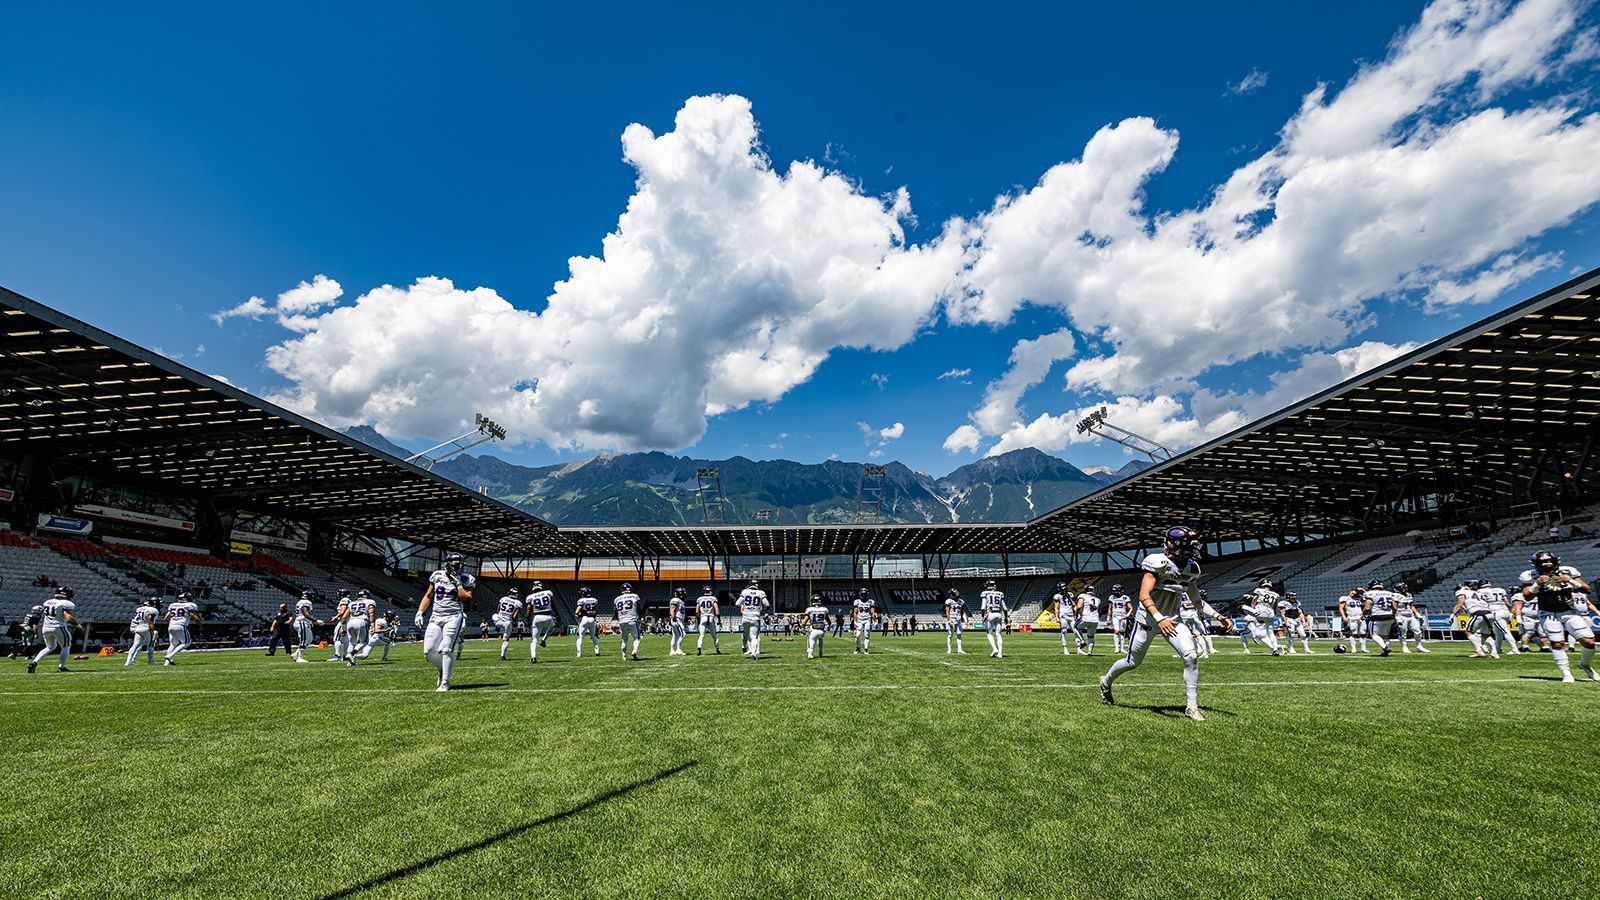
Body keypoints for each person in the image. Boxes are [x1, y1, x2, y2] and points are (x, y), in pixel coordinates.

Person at [1099, 526, 1230, 722]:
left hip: (1173, 621)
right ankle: (1106, 682)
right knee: (1132, 662)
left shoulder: (1191, 568)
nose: (1191, 549)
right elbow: (1144, 595)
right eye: (1187, 545)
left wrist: (1218, 616)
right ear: (1172, 544)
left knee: (1191, 656)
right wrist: (1160, 618)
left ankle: (1192, 706)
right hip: (1149, 620)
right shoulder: (1157, 562)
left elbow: (1196, 600)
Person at [1517, 550, 1599, 683]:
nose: (1547, 567)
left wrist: (1570, 581)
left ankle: (1584, 664)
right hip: (1548, 612)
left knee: (1589, 642)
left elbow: (1587, 589)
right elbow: (1527, 597)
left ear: (1556, 563)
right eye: (1543, 565)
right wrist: (1536, 584)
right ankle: (1566, 673)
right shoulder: (1529, 576)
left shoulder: (1569, 571)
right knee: (1557, 643)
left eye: (1549, 564)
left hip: (1569, 611)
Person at [416, 553, 474, 691]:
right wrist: (419, 612)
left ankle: (445, 682)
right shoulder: (437, 575)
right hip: (436, 617)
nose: (457, 566)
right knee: (429, 652)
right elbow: (429, 595)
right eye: (454, 563)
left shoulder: (466, 578)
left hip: (453, 616)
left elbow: (466, 599)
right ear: (447, 564)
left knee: (447, 649)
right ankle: (442, 669)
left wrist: (458, 584)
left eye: (459, 563)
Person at [27, 587, 76, 674]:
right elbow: (68, 616)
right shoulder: (66, 603)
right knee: (65, 646)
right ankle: (62, 667)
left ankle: (34, 663)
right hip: (59, 627)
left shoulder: (47, 602)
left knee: (50, 647)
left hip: (46, 628)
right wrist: (78, 626)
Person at [1451, 580, 1495, 659]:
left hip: (1478, 613)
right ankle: (1494, 653)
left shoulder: (1461, 592)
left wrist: (1452, 614)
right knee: (1486, 634)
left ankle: (1479, 651)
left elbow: (1460, 604)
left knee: (1468, 631)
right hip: (1489, 613)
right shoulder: (1478, 592)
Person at [1477, 580, 1518, 656]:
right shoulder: (1500, 589)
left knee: (1505, 631)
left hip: (1496, 612)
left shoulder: (1481, 591)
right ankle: (1498, 648)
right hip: (1505, 611)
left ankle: (1515, 649)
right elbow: (1507, 603)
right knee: (1498, 632)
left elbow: (1484, 601)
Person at [1241, 581, 1282, 656]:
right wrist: (1274, 614)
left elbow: (1255, 598)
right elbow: (1275, 606)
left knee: (1242, 607)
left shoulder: (1258, 590)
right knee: (1271, 633)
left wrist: (1253, 607)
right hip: (1270, 614)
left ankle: (1250, 617)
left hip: (1260, 612)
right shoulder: (1276, 595)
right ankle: (1275, 649)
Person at [1362, 580, 1399, 656]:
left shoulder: (1369, 594)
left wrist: (1362, 615)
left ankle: (1385, 647)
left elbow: (1367, 608)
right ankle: (1385, 652)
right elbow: (1394, 608)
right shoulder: (1389, 593)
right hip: (1389, 616)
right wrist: (1393, 615)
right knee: (1385, 635)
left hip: (1377, 616)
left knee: (1373, 635)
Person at [164, 591, 199, 665]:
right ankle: (170, 655)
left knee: (173, 644)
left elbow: (166, 617)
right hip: (181, 625)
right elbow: (194, 616)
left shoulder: (173, 605)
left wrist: (173, 623)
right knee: (186, 643)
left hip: (171, 625)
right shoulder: (190, 605)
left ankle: (166, 663)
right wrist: (200, 624)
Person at [1393, 582, 1429, 654]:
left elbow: (1411, 605)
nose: (1405, 588)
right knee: (1403, 633)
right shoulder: (1396, 595)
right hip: (1402, 616)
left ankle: (1419, 646)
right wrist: (1397, 616)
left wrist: (1416, 613)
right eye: (1403, 587)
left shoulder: (1408, 595)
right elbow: (1394, 607)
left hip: (1410, 615)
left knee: (1418, 631)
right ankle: (1404, 647)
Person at [341, 588, 374, 667]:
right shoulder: (370, 602)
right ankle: (351, 654)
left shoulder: (352, 603)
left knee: (352, 643)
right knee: (364, 642)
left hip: (350, 622)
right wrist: (372, 624)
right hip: (361, 621)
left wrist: (342, 627)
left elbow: (345, 616)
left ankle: (350, 661)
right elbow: (371, 613)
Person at [525, 581, 556, 663]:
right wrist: (557, 614)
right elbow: (553, 604)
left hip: (537, 618)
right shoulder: (548, 593)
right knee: (554, 626)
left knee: (534, 639)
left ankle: (533, 657)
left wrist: (528, 620)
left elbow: (528, 612)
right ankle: (544, 640)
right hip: (548, 616)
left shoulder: (530, 597)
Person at [737, 580, 768, 660]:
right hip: (755, 617)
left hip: (745, 617)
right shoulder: (761, 593)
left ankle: (744, 646)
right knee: (754, 637)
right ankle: (753, 653)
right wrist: (760, 609)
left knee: (745, 634)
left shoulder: (745, 592)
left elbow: (737, 603)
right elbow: (767, 604)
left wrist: (745, 609)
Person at [126, 595, 160, 667]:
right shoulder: (153, 610)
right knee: (151, 645)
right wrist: (153, 630)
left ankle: (128, 661)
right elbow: (149, 619)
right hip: (146, 628)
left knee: (135, 645)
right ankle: (151, 661)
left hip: (139, 627)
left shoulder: (140, 609)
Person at [980, 580, 1009, 658]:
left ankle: (994, 649)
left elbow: (983, 607)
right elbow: (1005, 608)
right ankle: (1000, 653)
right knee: (998, 634)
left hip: (990, 614)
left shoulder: (985, 593)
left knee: (989, 633)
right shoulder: (1000, 594)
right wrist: (1006, 617)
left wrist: (983, 616)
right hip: (999, 614)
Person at [493, 587, 524, 661]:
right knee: (506, 640)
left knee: (494, 615)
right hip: (507, 622)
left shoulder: (503, 598)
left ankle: (497, 626)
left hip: (498, 620)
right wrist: (514, 622)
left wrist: (498, 619)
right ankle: (502, 656)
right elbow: (514, 616)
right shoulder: (518, 603)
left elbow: (498, 608)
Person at [615, 583, 643, 661]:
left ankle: (624, 656)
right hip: (632, 619)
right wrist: (640, 616)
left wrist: (619, 619)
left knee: (624, 639)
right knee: (636, 638)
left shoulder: (617, 599)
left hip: (622, 620)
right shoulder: (634, 596)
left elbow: (615, 611)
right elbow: (639, 607)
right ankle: (635, 651)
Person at [1074, 585, 1102, 655]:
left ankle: (1082, 641)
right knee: (1091, 636)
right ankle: (1090, 652)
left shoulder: (1083, 596)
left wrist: (1076, 615)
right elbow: (1099, 611)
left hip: (1086, 617)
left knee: (1075, 627)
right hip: (1095, 619)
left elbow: (1079, 606)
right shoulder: (1098, 600)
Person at [292, 590, 318, 664]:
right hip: (302, 621)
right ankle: (300, 657)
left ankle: (296, 654)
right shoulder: (306, 602)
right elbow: (305, 613)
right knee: (304, 640)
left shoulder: (301, 601)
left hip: (303, 622)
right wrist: (315, 620)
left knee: (309, 639)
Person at [573, 588, 600, 657]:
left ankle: (579, 652)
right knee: (593, 636)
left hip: (585, 619)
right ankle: (596, 650)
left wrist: (577, 614)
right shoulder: (594, 600)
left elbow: (577, 611)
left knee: (580, 637)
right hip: (592, 619)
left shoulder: (581, 600)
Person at [1051, 582, 1076, 656]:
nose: (1064, 590)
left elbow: (1074, 605)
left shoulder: (1070, 594)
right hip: (1063, 615)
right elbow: (1056, 607)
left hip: (1070, 614)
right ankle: (1065, 647)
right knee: (1064, 630)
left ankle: (1079, 648)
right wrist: (1057, 617)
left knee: (1076, 630)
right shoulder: (1057, 596)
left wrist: (1077, 613)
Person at [1340, 588, 1368, 653]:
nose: (1353, 594)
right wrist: (1344, 616)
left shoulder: (1359, 598)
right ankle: (1353, 649)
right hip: (1351, 617)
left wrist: (1363, 590)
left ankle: (1363, 648)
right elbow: (1341, 608)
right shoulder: (1345, 598)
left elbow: (1368, 598)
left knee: (1363, 633)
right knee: (1353, 634)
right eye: (1352, 593)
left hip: (1360, 617)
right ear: (1350, 592)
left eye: (1355, 593)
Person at [1107, 584, 1132, 654]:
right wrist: (1108, 618)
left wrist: (1127, 615)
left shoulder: (1125, 598)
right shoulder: (1111, 597)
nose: (1115, 592)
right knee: (1116, 631)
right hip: (1115, 616)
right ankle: (1116, 648)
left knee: (1122, 632)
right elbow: (1110, 609)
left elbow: (1131, 608)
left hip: (1123, 616)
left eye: (1116, 591)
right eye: (1114, 591)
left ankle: (1122, 648)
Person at [695, 587, 721, 655]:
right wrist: (719, 620)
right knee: (714, 635)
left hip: (703, 617)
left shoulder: (699, 599)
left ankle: (699, 649)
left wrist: (698, 620)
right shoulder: (713, 598)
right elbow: (717, 610)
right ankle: (717, 649)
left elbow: (697, 611)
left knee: (701, 635)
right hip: (711, 617)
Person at [804, 593, 830, 659]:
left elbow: (804, 621)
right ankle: (820, 652)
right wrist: (828, 625)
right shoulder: (824, 609)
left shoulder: (810, 609)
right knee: (820, 639)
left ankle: (810, 653)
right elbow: (828, 621)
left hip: (814, 628)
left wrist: (803, 626)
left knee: (811, 640)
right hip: (821, 629)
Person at [852, 588, 877, 655]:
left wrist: (875, 621)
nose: (863, 596)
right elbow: (855, 612)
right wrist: (854, 621)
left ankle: (866, 649)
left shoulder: (871, 601)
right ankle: (858, 648)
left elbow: (872, 612)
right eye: (862, 594)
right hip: (859, 620)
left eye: (864, 594)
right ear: (860, 594)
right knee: (857, 635)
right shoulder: (857, 601)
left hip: (867, 620)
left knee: (866, 636)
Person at [944, 588, 968, 655]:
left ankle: (959, 649)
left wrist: (965, 620)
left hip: (959, 619)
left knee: (959, 635)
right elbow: (947, 611)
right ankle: (949, 649)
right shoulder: (949, 601)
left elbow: (962, 612)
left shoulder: (960, 601)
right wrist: (949, 620)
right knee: (950, 634)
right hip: (952, 618)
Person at [667, 587, 689, 657]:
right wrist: (674, 618)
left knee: (675, 636)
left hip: (678, 619)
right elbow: (672, 609)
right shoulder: (675, 600)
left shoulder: (680, 601)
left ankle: (672, 651)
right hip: (677, 619)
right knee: (683, 634)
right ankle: (678, 650)